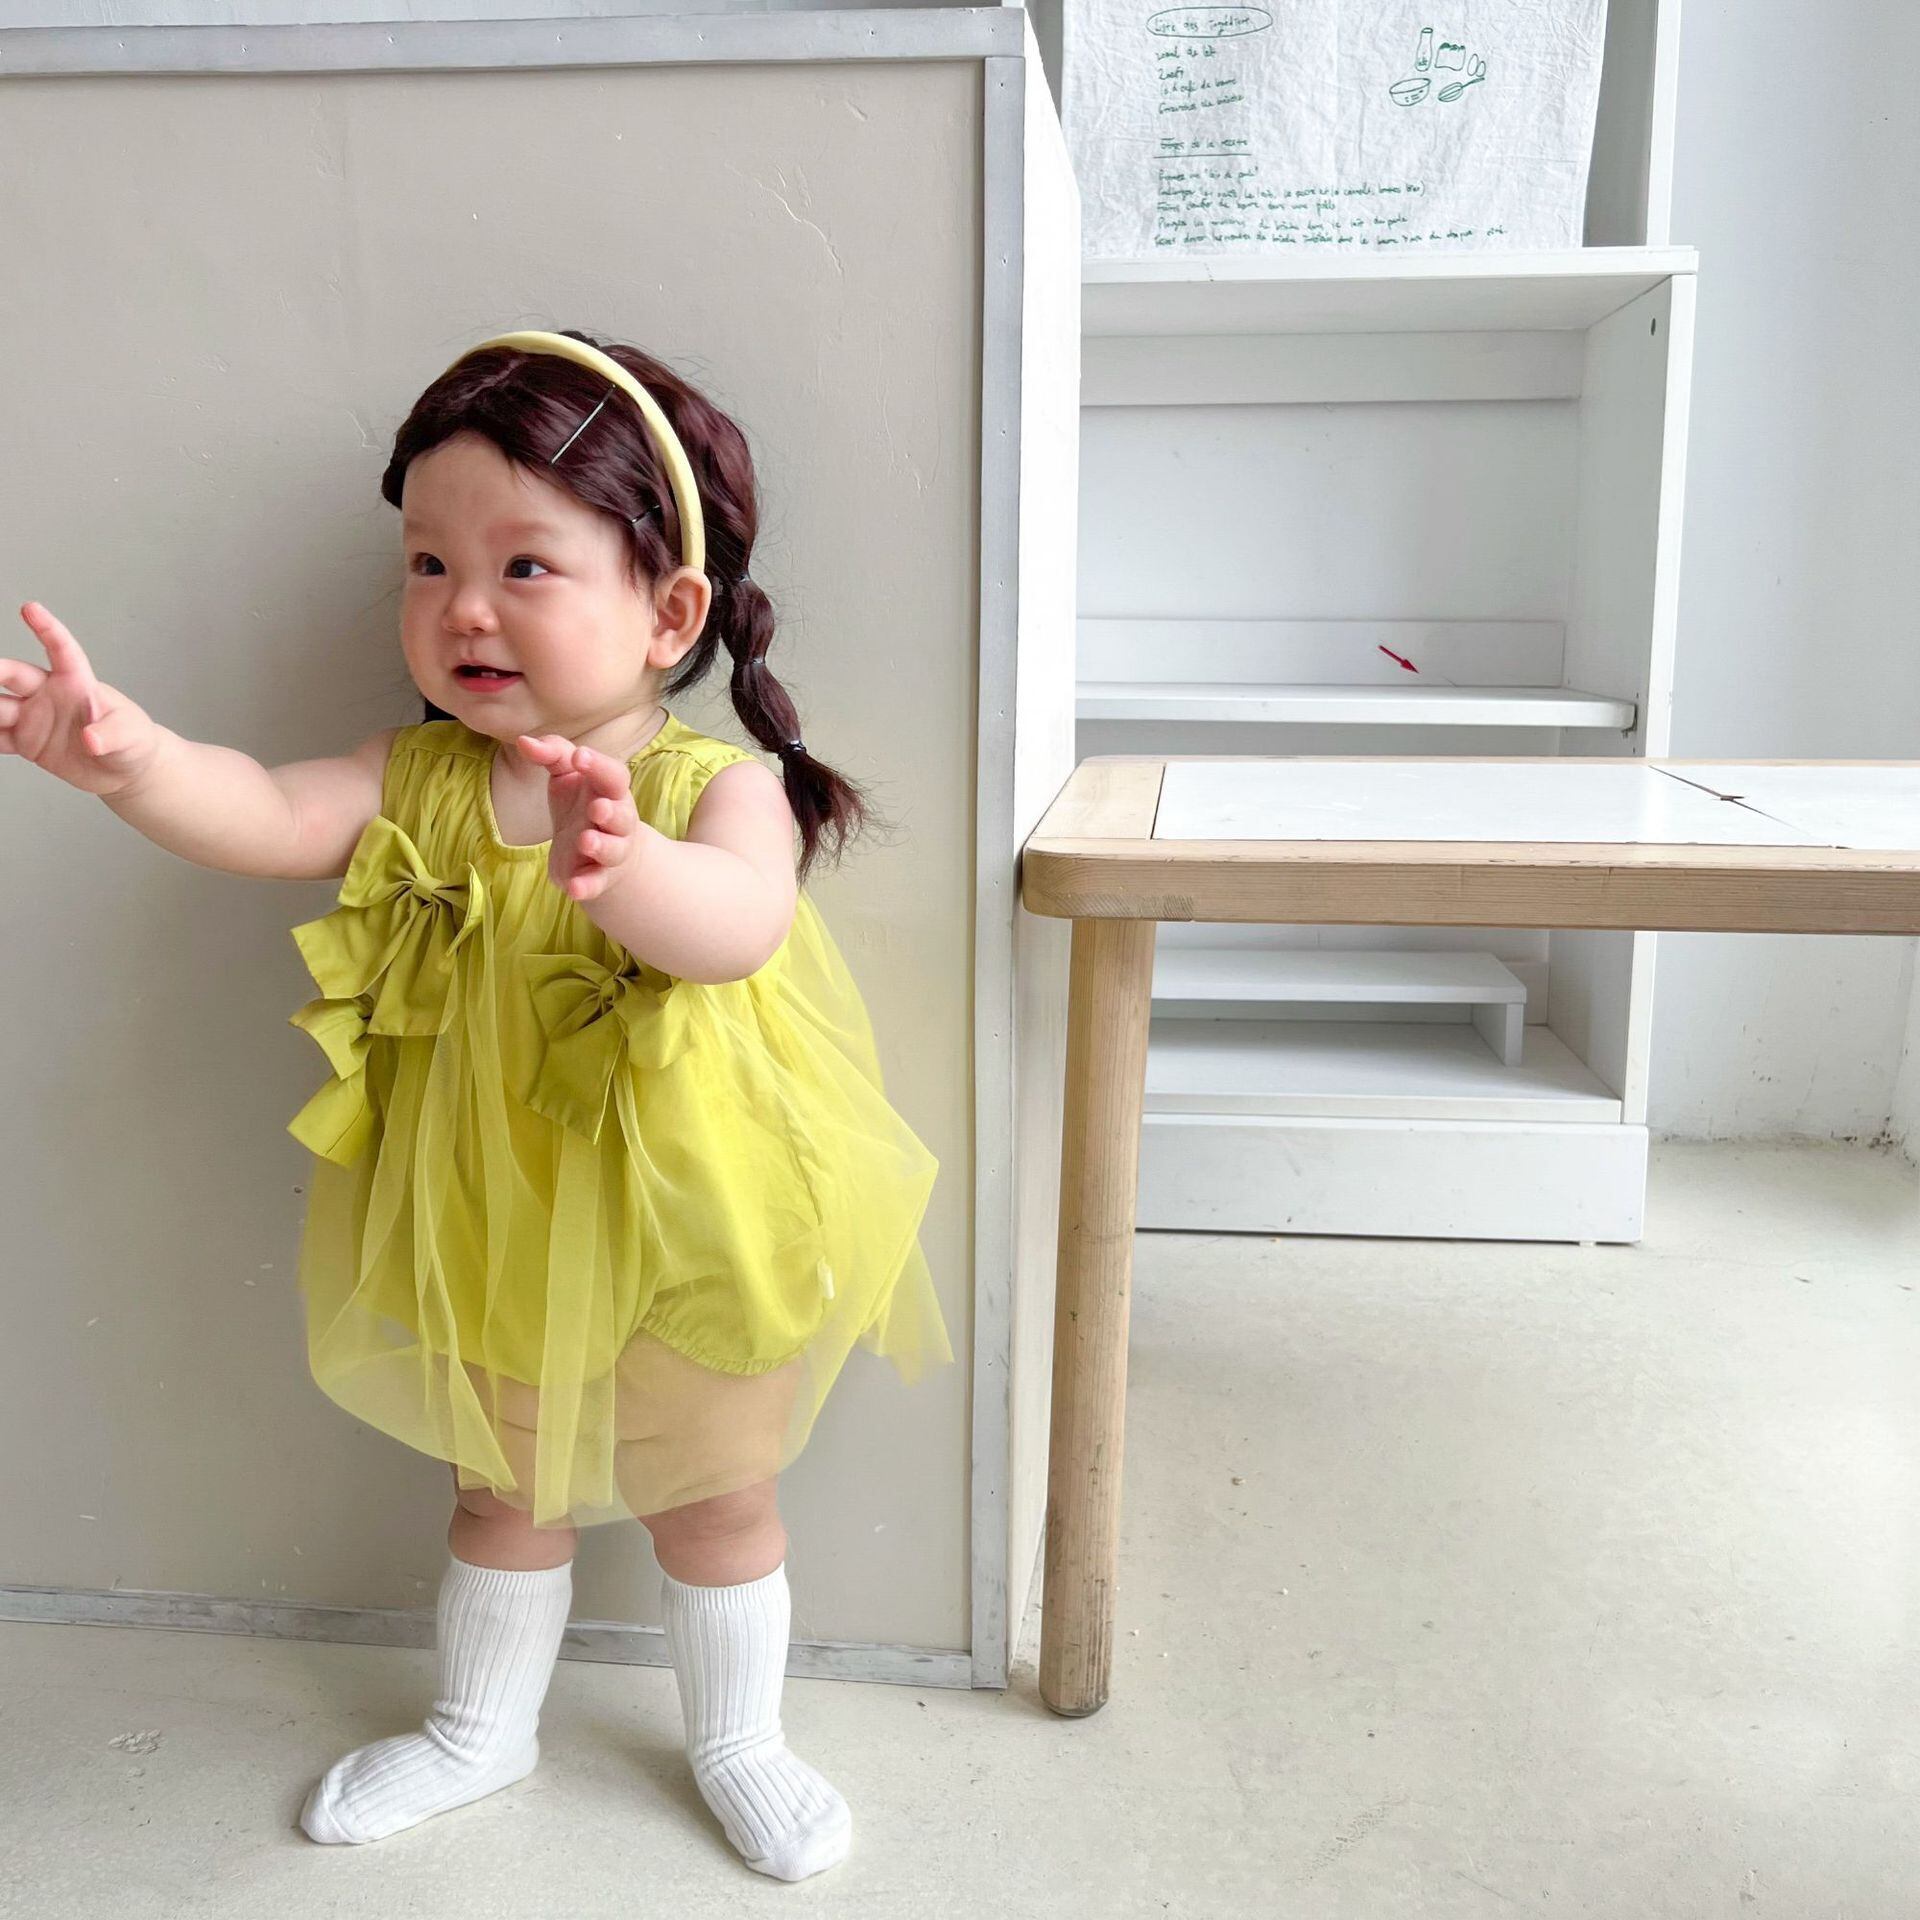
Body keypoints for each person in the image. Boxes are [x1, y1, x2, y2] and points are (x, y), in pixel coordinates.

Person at [2, 328, 951, 1881]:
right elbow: (266, 812)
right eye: (430, 565)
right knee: (502, 1492)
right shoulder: (423, 777)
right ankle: (478, 1729)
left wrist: (625, 870)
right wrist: (132, 763)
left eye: (525, 566)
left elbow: (741, 927)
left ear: (670, 613)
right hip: (495, 1222)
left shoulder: (715, 788)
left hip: (698, 1214)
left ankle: (739, 1740)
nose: (463, 608)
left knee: (716, 1497)